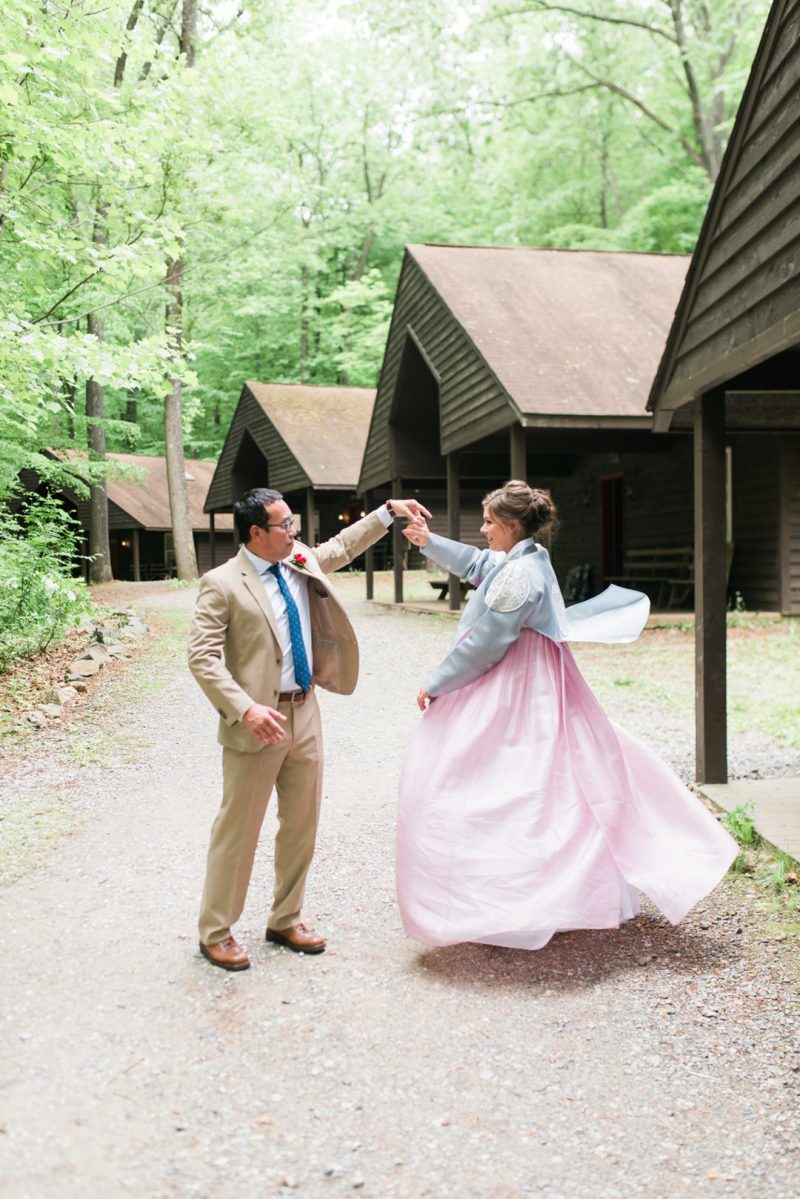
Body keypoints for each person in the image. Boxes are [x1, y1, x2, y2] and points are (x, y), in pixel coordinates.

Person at [396, 480, 738, 951]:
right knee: (555, 776)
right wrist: (427, 541)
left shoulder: (521, 575)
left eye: (490, 522)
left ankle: (523, 894)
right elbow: (478, 563)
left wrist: (436, 683)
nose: (483, 529)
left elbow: (487, 643)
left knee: (516, 778)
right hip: (532, 677)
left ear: (513, 526)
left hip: (521, 686)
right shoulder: (525, 558)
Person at [189, 486, 430, 971]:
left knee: (301, 824)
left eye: (294, 522)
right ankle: (216, 931)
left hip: (306, 711)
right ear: (257, 533)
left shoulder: (299, 559)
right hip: (258, 723)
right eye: (285, 525)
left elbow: (340, 547)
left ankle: (285, 918)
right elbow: (202, 656)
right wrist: (244, 708)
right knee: (238, 830)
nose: (295, 531)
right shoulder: (221, 583)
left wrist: (387, 513)